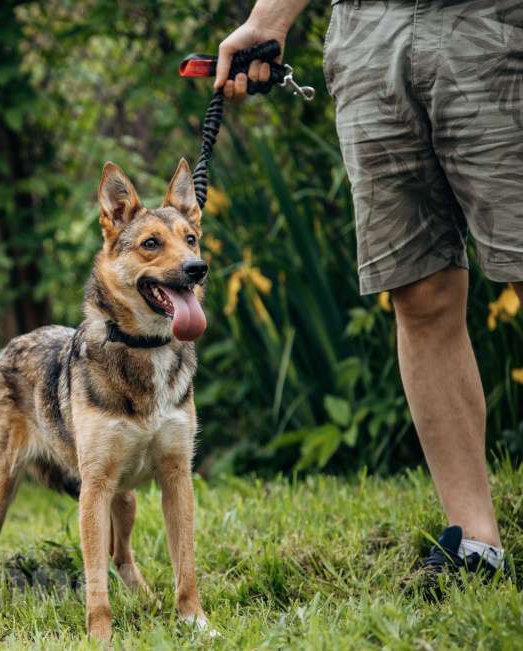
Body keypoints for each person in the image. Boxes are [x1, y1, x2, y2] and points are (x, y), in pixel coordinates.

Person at [215, 0, 523, 579]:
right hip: (369, 29)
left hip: (493, 20)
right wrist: (268, 18)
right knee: (418, 289)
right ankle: (477, 544)